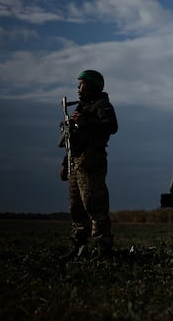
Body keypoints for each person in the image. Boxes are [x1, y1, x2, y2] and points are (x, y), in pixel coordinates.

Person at [61, 69, 118, 259]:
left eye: (82, 84)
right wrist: (65, 163)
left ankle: (102, 248)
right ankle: (77, 247)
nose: (78, 88)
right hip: (76, 160)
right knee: (76, 207)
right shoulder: (81, 107)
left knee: (94, 205)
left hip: (91, 160)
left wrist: (88, 122)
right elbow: (73, 138)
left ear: (92, 86)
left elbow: (111, 126)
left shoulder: (102, 105)